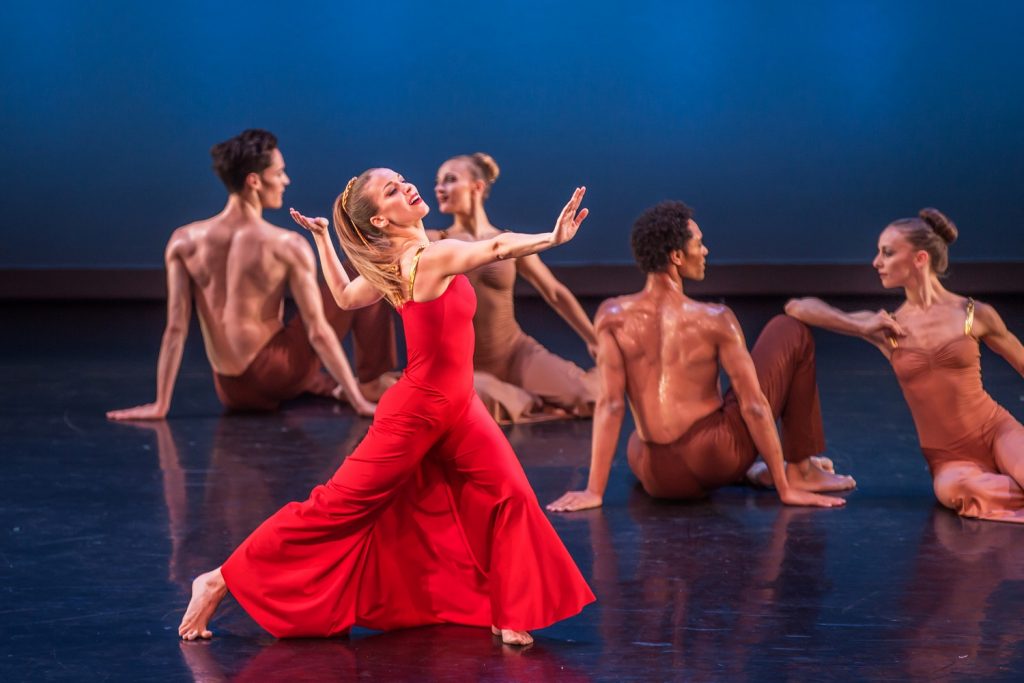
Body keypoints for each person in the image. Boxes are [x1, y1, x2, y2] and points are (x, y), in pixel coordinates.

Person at [178, 169, 596, 646]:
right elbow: (496, 248)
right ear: (379, 219)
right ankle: (218, 579)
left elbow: (343, 295)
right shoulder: (428, 258)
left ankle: (510, 611)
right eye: (392, 191)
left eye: (401, 179)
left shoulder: (395, 263)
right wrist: (553, 237)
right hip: (415, 412)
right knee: (332, 508)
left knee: (513, 497)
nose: (408, 187)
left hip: (460, 407)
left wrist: (322, 239)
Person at [548, 201, 854, 513]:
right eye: (699, 243)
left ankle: (749, 473)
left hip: (654, 472)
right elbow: (754, 407)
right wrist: (785, 487)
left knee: (640, 439)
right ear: (677, 257)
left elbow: (611, 405)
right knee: (788, 330)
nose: (705, 251)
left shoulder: (611, 315)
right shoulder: (716, 318)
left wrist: (593, 491)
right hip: (712, 459)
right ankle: (801, 472)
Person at [107, 129, 392, 420]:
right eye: (279, 173)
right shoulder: (286, 245)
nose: (286, 181)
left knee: (292, 345)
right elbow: (318, 331)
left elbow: (176, 329)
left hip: (231, 391)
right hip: (277, 373)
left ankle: (328, 386)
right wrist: (361, 405)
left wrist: (161, 405)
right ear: (254, 181)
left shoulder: (183, 241)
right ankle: (370, 384)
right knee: (360, 268)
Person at [786, 208, 1024, 522]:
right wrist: (859, 325)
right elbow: (798, 307)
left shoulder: (973, 313)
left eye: (886, 253)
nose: (876, 262)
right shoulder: (888, 328)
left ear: (920, 259)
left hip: (996, 432)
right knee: (960, 491)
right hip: (950, 460)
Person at [429, 153, 598, 423]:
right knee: (469, 409)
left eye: (449, 180)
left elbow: (554, 292)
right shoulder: (435, 241)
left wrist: (593, 339)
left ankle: (524, 398)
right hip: (465, 365)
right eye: (437, 182)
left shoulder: (507, 240)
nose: (439, 188)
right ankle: (526, 400)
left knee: (590, 398)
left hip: (515, 353)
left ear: (477, 186)